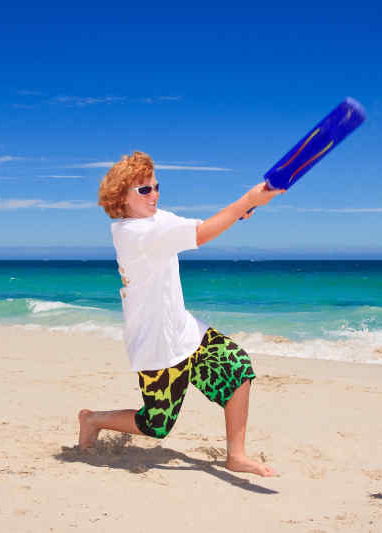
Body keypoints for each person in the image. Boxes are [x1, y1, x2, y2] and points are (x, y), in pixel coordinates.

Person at [78, 151, 282, 477]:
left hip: (185, 329)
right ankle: (92, 419)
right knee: (155, 425)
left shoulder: (156, 220)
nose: (154, 194)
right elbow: (200, 237)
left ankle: (236, 456)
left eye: (156, 187)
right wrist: (247, 199)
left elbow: (201, 226)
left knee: (238, 368)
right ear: (121, 197)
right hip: (156, 344)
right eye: (144, 190)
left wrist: (241, 211)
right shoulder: (132, 233)